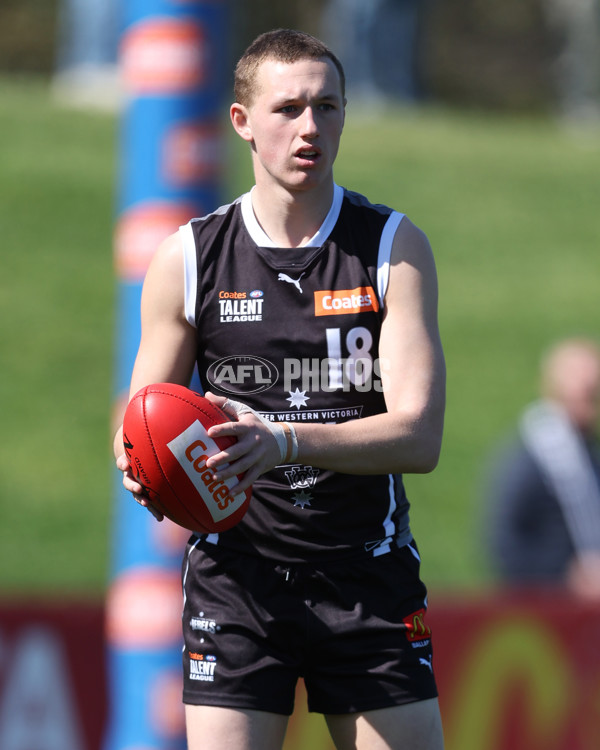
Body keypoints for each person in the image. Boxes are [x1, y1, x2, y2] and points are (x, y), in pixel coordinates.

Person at [114, 29, 446, 750]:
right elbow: (141, 418)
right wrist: (144, 465)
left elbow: (420, 437)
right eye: (288, 108)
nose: (309, 128)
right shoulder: (191, 258)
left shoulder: (391, 247)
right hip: (239, 582)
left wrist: (281, 440)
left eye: (327, 107)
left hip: (367, 574)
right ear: (241, 122)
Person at [485, 338, 600, 599]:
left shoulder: (588, 453)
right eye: (586, 397)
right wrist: (566, 575)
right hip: (547, 609)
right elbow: (504, 543)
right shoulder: (527, 461)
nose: (592, 411)